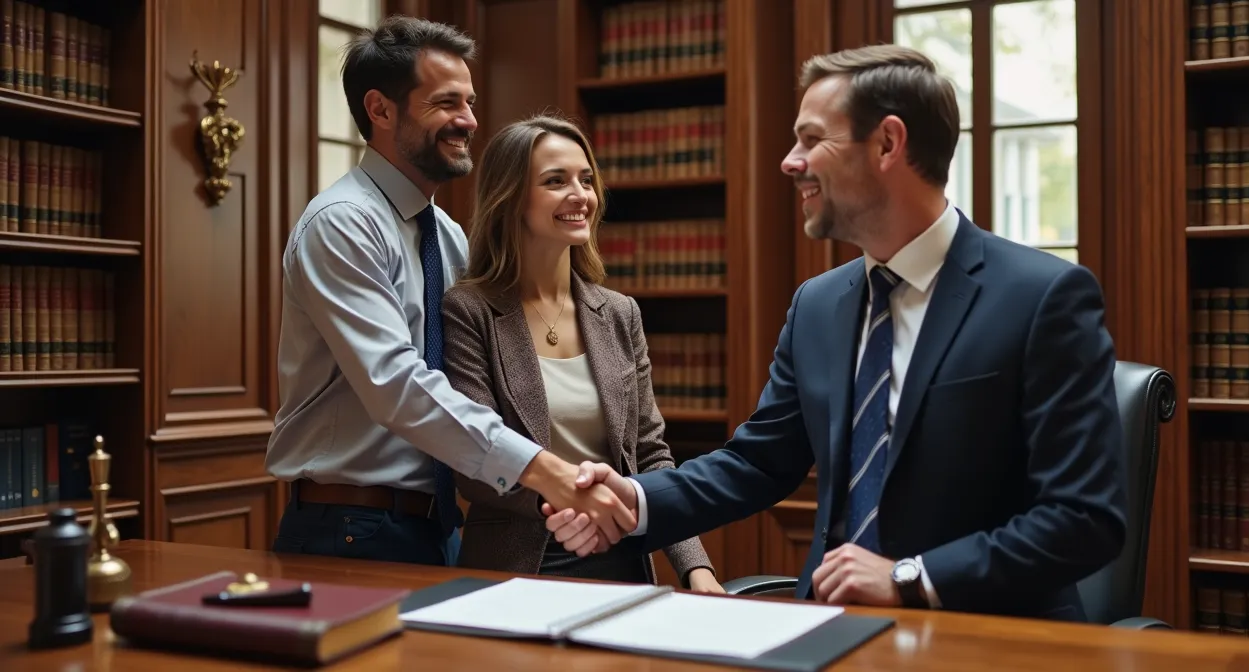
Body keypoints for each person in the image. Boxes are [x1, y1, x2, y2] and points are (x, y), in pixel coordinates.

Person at [543, 44, 1128, 621]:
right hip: (830, 630)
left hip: (992, 642)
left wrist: (909, 578)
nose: (789, 161)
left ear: (887, 143)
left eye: (812, 139)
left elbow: (1084, 519)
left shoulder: (1044, 297)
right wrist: (635, 499)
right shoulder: (818, 305)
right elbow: (758, 463)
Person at [265, 16, 634, 567]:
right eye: (446, 103)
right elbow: (396, 384)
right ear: (381, 110)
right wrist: (547, 472)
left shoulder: (448, 236)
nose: (469, 120)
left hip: (437, 527)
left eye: (469, 101)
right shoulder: (342, 223)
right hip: (347, 527)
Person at [440, 115, 724, 592]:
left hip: (622, 561)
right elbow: (474, 462)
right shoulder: (469, 310)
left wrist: (697, 568)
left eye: (586, 180)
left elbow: (651, 454)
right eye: (556, 181)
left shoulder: (619, 313)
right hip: (514, 570)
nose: (581, 196)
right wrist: (575, 503)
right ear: (511, 198)